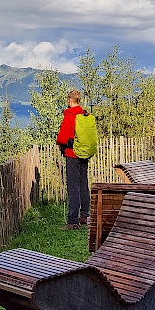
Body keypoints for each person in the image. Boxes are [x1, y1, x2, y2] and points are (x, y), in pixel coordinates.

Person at [56, 89, 91, 230]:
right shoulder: (85, 115)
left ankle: (72, 221)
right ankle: (84, 216)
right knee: (84, 185)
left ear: (70, 100)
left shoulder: (69, 116)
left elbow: (62, 138)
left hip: (72, 154)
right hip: (84, 153)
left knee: (73, 186)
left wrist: (61, 145)